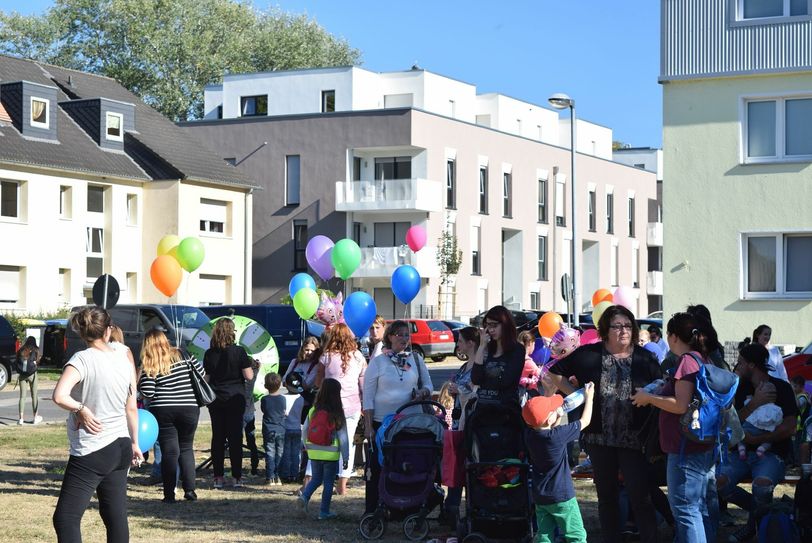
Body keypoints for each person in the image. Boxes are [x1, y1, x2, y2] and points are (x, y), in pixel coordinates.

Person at [548, 305, 662, 543]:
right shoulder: (588, 354)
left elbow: (661, 384)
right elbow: (554, 372)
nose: (624, 331)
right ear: (605, 330)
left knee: (640, 495)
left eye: (628, 326)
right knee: (607, 496)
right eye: (617, 326)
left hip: (634, 438)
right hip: (599, 438)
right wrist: (578, 394)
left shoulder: (645, 358)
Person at [52, 307, 143, 542]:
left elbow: (60, 395)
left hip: (94, 448)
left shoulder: (82, 359)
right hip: (121, 444)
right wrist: (135, 443)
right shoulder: (124, 355)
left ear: (82, 333)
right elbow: (131, 406)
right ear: (108, 330)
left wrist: (81, 408)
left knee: (66, 518)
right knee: (115, 516)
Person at [631, 312, 723, 543]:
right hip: (701, 444)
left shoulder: (686, 362)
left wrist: (648, 398)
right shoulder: (704, 358)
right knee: (697, 508)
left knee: (685, 510)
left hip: (685, 449)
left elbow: (681, 405)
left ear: (673, 337)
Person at [717, 342, 797, 542]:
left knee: (762, 485)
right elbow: (729, 422)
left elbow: (790, 427)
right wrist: (754, 403)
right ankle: (759, 515)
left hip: (771, 453)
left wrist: (760, 439)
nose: (738, 365)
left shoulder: (782, 388)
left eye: (741, 362)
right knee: (718, 484)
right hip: (741, 453)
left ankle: (753, 526)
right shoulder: (739, 388)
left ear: (752, 365)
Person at [363, 319, 433, 514]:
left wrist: (422, 393)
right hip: (382, 424)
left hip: (409, 424)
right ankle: (373, 509)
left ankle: (406, 507)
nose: (404, 338)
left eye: (407, 334)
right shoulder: (378, 362)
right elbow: (367, 397)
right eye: (400, 334)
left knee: (406, 466)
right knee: (377, 468)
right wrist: (368, 426)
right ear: (390, 337)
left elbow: (428, 385)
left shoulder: (416, 360)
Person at [524, 382, 595, 543]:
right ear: (550, 419)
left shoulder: (529, 435)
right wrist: (589, 398)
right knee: (576, 535)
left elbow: (544, 425)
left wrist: (551, 405)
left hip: (541, 496)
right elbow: (585, 421)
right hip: (562, 497)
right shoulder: (558, 436)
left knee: (544, 534)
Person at [137, 329, 202, 503]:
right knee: (187, 448)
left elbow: (148, 392)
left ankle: (169, 495)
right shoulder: (183, 354)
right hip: (189, 407)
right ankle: (190, 490)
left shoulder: (150, 362)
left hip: (163, 410)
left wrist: (144, 378)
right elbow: (201, 375)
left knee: (170, 452)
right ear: (165, 340)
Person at [203, 318, 254, 488]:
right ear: (231, 332)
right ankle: (237, 477)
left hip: (216, 399)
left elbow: (207, 379)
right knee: (235, 438)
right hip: (235, 398)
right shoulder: (239, 351)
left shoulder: (209, 353)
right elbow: (248, 376)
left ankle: (218, 477)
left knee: (217, 437)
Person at [316, 323, 366, 495]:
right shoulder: (359, 356)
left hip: (330, 406)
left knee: (325, 441)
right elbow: (363, 384)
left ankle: (314, 478)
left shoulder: (326, 357)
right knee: (348, 444)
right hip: (352, 406)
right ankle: (342, 483)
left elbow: (318, 382)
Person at [298, 378, 349, 520]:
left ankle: (304, 497)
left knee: (315, 479)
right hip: (330, 455)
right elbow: (343, 438)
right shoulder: (337, 413)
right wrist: (346, 457)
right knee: (328, 484)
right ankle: (324, 512)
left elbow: (305, 430)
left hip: (313, 452)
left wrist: (307, 447)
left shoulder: (313, 410)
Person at [471, 305, 525, 404]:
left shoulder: (517, 349)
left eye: (494, 325)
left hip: (505, 410)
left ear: (505, 325)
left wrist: (486, 379)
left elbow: (506, 381)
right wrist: (481, 347)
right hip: (483, 409)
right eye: (487, 325)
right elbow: (475, 379)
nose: (490, 330)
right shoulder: (487, 349)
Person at [261, 372, 286, 485]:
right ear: (280, 384)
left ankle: (270, 477)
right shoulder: (282, 399)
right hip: (280, 429)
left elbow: (264, 410)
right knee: (279, 453)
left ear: (266, 385)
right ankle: (278, 476)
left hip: (268, 429)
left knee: (270, 452)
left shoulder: (265, 399)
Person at [16, 336, 42, 425]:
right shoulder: (36, 350)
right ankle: (35, 418)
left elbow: (16, 361)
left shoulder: (21, 350)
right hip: (32, 375)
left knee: (22, 397)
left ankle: (21, 419)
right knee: (34, 396)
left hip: (22, 375)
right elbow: (38, 361)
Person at [280, 393, 305, 483]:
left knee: (286, 453)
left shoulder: (283, 397)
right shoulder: (301, 398)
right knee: (296, 453)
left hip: (286, 428)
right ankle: (294, 474)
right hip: (297, 428)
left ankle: (286, 474)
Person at [243, 358, 261, 476]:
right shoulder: (253, 375)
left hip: (239, 412)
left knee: (235, 441)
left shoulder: (240, 378)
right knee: (251, 441)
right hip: (249, 411)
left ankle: (236, 467)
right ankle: (254, 466)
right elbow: (257, 367)